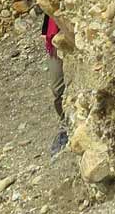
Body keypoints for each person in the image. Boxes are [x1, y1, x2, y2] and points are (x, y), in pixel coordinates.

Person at [42, 13, 68, 154]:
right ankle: (65, 124)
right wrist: (45, 30)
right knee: (57, 88)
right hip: (54, 37)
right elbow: (48, 6)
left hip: (68, 32)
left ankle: (68, 126)